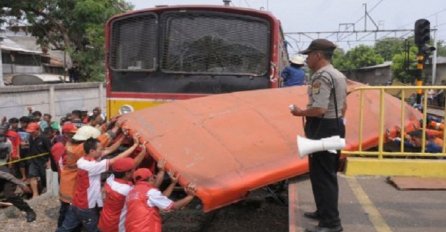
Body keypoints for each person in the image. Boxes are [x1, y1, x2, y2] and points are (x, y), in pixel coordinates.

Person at [290, 39, 347, 232]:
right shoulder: (338, 74)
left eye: (309, 55)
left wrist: (300, 113)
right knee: (320, 174)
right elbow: (344, 105)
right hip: (334, 125)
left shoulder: (321, 76)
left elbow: (320, 109)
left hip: (323, 127)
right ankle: (323, 212)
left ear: (318, 55)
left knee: (324, 176)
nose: (307, 59)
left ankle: (331, 224)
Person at [56, 135, 139, 232]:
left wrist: (122, 138)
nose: (102, 150)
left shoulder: (83, 160)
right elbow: (115, 160)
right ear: (92, 151)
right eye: (100, 149)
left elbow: (109, 151)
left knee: (65, 228)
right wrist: (134, 146)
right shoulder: (92, 166)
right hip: (86, 206)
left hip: (76, 203)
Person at [125, 168, 196, 232]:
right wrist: (190, 196)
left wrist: (173, 183)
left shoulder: (131, 191)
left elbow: (161, 198)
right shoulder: (150, 192)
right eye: (154, 176)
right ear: (151, 178)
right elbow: (174, 206)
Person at [98, 145, 147, 232]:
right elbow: (148, 193)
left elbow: (132, 164)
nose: (134, 171)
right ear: (127, 174)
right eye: (133, 170)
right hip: (116, 227)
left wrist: (143, 152)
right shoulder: (127, 190)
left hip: (104, 222)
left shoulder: (110, 179)